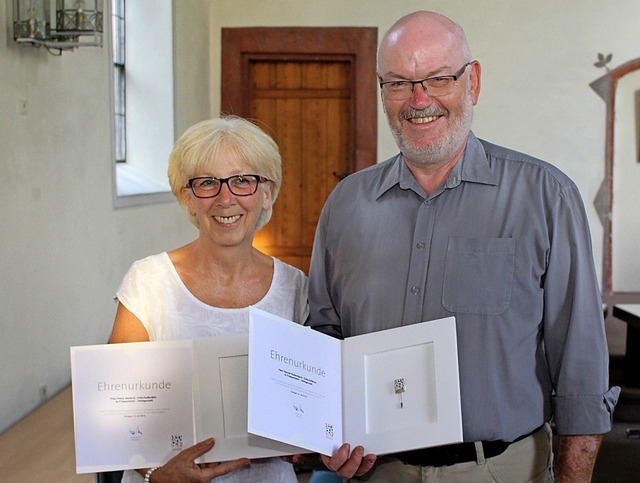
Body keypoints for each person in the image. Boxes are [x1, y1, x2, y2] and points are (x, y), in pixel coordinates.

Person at [308, 10, 619, 483]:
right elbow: (324, 337)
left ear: (472, 81)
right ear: (382, 89)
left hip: (501, 470)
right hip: (376, 474)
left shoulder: (544, 196)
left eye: (437, 78)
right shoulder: (345, 204)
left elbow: (580, 365)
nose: (419, 100)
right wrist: (322, 431)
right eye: (399, 83)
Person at [109, 116, 309, 483]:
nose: (225, 198)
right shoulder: (149, 281)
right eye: (207, 183)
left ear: (266, 192)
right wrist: (155, 473)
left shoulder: (296, 288)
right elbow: (117, 412)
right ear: (188, 198)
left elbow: (307, 407)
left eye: (242, 180)